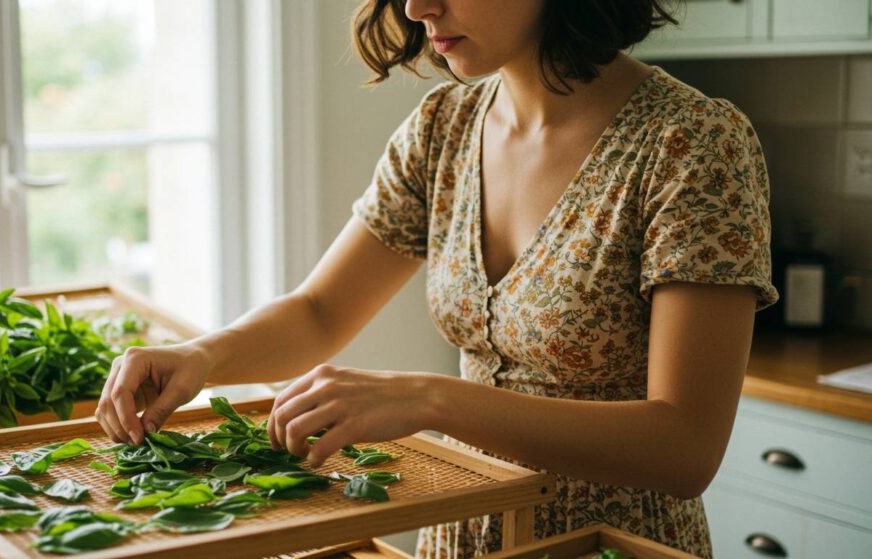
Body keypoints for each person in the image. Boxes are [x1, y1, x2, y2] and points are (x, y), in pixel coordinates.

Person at [95, 1, 779, 556]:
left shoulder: (692, 143)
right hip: (460, 534)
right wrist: (203, 356)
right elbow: (319, 311)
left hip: (610, 542)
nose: (419, 8)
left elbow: (685, 446)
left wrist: (430, 399)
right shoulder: (442, 129)